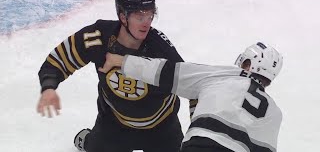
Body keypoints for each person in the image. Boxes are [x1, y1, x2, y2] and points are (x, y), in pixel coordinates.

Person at [36, 0, 184, 152]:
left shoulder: (161, 48)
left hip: (162, 129)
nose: (146, 23)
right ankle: (90, 142)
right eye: (139, 16)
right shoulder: (98, 37)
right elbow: (58, 60)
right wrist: (48, 88)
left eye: (150, 16)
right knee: (98, 146)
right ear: (123, 17)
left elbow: (192, 81)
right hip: (115, 125)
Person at [99, 42, 283, 152]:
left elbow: (165, 72)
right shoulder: (274, 112)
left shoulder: (222, 75)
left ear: (249, 65)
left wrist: (122, 61)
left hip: (201, 146)